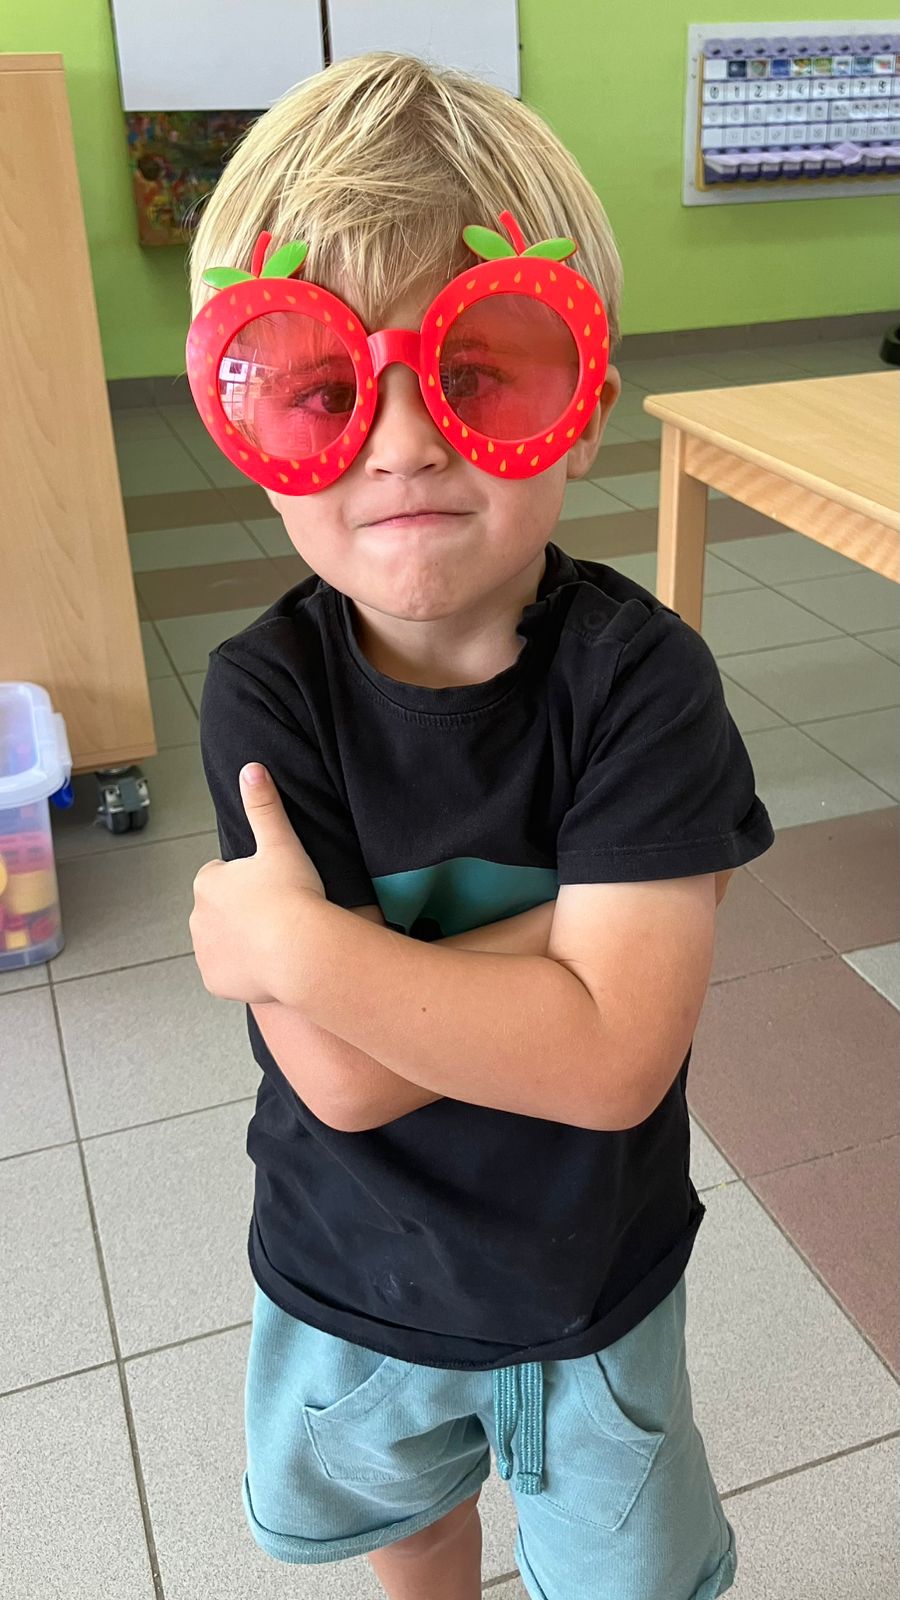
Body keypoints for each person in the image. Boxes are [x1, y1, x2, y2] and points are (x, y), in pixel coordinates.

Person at [188, 52, 774, 1600]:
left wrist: (308, 949)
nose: (401, 440)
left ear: (581, 411)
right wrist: (592, 934)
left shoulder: (645, 679)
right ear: (248, 422)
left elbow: (614, 1058)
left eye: (480, 369)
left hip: (595, 1289)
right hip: (350, 1281)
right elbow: (340, 1078)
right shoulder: (264, 693)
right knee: (416, 1540)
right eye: (325, 387)